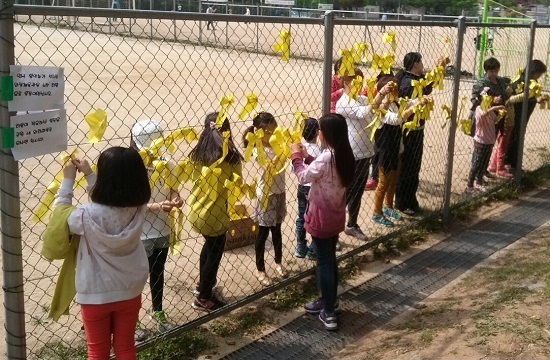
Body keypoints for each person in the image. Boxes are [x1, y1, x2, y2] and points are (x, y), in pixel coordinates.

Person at [51, 147, 151, 359]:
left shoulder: (85, 215)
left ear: (105, 179)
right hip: (130, 289)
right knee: (125, 347)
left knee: (97, 350)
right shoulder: (139, 207)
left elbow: (60, 217)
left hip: (95, 293)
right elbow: (112, 201)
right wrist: (89, 175)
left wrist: (67, 181)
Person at [291, 113, 355, 331]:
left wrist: (296, 158)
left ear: (325, 134)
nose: (318, 133)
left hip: (321, 217)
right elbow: (322, 171)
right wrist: (309, 157)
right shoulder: (343, 154)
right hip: (336, 215)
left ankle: (328, 312)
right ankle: (330, 300)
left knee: (324, 262)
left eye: (320, 130)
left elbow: (304, 176)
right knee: (329, 259)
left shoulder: (327, 157)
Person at [130, 120, 183, 340]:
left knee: (157, 273)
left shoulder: (166, 164)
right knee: (136, 278)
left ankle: (158, 311)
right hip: (140, 232)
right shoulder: (133, 167)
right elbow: (131, 204)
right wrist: (157, 206)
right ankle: (133, 318)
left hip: (162, 229)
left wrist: (176, 199)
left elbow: (173, 190)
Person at [189, 112, 243, 312]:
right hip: (217, 215)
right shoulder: (231, 158)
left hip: (196, 212)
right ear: (228, 132)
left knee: (209, 247)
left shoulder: (197, 155)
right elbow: (237, 184)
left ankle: (202, 285)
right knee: (215, 253)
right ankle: (204, 297)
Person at [336, 67, 387, 241]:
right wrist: (380, 95)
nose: (361, 84)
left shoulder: (363, 98)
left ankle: (352, 224)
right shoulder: (343, 103)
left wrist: (386, 98)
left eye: (361, 80)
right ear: (346, 82)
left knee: (357, 191)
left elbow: (374, 110)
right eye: (356, 81)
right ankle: (334, 229)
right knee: (346, 192)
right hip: (351, 153)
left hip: (365, 152)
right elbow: (363, 112)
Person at [394, 52, 448, 216]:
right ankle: (404, 202)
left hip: (417, 129)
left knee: (413, 167)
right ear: (415, 64)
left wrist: (441, 67)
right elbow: (408, 102)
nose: (423, 64)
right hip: (409, 131)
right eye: (421, 61)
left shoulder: (415, 79)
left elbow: (428, 83)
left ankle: (409, 200)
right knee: (409, 167)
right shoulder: (408, 83)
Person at [243, 112, 287, 285]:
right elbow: (268, 167)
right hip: (266, 194)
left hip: (280, 191)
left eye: (274, 131)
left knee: (277, 229)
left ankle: (278, 262)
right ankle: (260, 269)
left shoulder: (279, 144)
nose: (272, 136)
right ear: (259, 134)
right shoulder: (257, 149)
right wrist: (282, 152)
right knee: (263, 232)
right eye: (268, 133)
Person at [371, 75, 419, 227]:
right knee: (383, 183)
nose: (398, 92)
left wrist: (421, 100)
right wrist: (412, 109)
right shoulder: (382, 109)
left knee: (393, 180)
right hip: (385, 152)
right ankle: (377, 213)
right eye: (395, 90)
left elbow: (410, 102)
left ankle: (388, 206)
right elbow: (396, 119)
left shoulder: (396, 103)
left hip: (396, 148)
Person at [470, 57, 512, 179]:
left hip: (497, 117)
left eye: (496, 71)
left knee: (489, 144)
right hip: (484, 117)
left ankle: (483, 169)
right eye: (491, 71)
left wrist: (506, 94)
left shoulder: (500, 81)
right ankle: (475, 171)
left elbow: (504, 93)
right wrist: (492, 100)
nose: (494, 74)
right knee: (480, 146)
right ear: (486, 70)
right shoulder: (481, 82)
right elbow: (475, 99)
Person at [504, 60, 547, 172]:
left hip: (523, 115)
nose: (540, 76)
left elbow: (532, 94)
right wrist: (534, 98)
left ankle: (514, 163)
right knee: (514, 137)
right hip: (516, 114)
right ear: (534, 71)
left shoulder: (531, 80)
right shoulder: (522, 81)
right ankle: (508, 163)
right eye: (539, 73)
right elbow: (517, 97)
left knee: (518, 137)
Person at [465, 88, 506, 194]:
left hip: (489, 140)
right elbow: (483, 114)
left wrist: (500, 115)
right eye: (489, 97)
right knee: (477, 163)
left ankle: (478, 182)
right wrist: (496, 107)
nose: (491, 99)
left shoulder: (489, 109)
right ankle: (469, 186)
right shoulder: (479, 109)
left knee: (484, 163)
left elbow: (494, 120)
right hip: (480, 141)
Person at [294, 118, 322, 260]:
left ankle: (300, 246)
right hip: (315, 189)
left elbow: (294, 166)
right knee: (315, 218)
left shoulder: (299, 149)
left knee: (301, 217)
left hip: (302, 187)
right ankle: (313, 249)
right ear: (318, 133)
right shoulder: (321, 151)